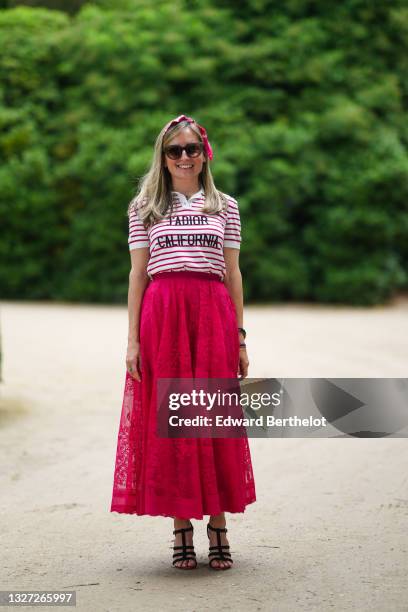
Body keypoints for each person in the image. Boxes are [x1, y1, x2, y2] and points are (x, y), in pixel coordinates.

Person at [110, 114, 256, 571]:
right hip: (163, 313)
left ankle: (218, 524)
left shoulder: (225, 206)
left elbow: (232, 273)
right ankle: (180, 527)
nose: (184, 157)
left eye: (192, 148)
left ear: (204, 153)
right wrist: (132, 340)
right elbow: (137, 274)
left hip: (212, 314)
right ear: (163, 156)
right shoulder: (144, 208)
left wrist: (240, 338)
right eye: (175, 150)